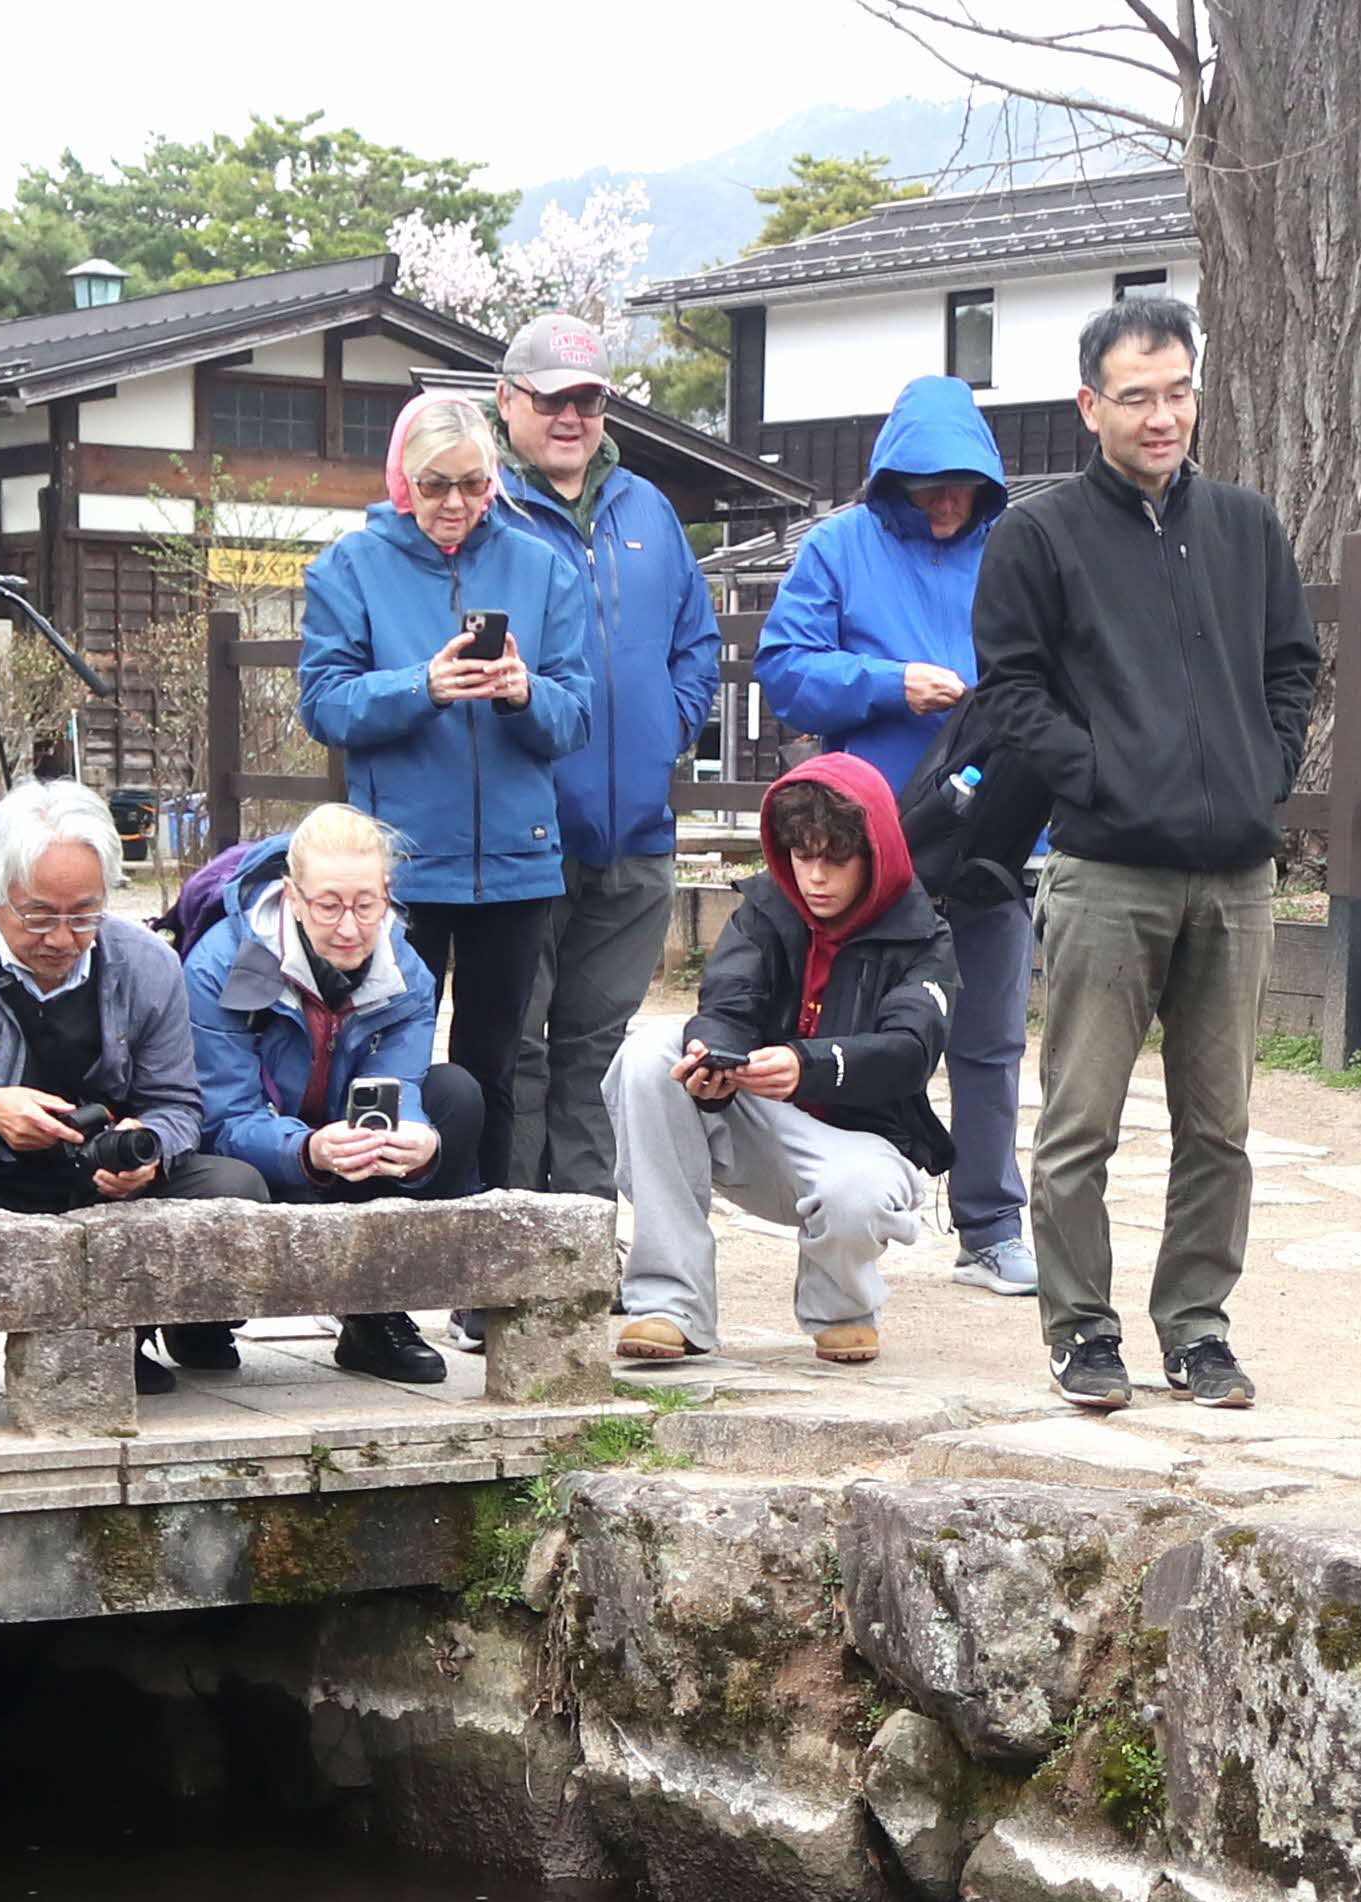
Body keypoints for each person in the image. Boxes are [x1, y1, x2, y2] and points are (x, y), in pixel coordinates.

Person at [965, 291, 1322, 1416]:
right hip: (1107, 867)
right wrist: (1102, 778)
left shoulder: (1245, 524)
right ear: (1089, 406)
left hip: (1235, 869)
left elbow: (1291, 664)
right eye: (1136, 397)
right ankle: (1081, 1329)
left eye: (1177, 393)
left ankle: (1198, 1328)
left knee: (1219, 1124)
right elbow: (1010, 689)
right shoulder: (1040, 534)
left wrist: (1264, 769)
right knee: (1080, 1119)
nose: (1161, 417)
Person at [0, 777, 268, 1406]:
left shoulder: (146, 962)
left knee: (235, 1187)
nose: (63, 939)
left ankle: (129, 1338)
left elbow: (179, 1105)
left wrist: (146, 1148)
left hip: (98, 1176)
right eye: (38, 915)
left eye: (85, 915)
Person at [758, 374, 1032, 1299]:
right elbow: (786, 673)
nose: (944, 498)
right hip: (870, 845)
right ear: (890, 480)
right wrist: (888, 683)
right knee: (861, 1035)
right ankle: (855, 1221)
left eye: (960, 482)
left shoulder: (1018, 550)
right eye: (924, 482)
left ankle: (992, 1226)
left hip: (994, 833)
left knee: (991, 1038)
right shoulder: (837, 547)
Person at [298, 392, 592, 1199]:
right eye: (434, 486)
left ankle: (479, 1263)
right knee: (385, 1064)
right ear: (402, 482)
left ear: (494, 479)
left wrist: (522, 692)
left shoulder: (542, 566)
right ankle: (385, 1269)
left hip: (517, 860)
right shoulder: (350, 565)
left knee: (494, 1066)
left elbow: (576, 718)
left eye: (472, 484)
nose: (455, 504)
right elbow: (323, 704)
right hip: (398, 866)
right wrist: (420, 685)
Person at [608, 756, 951, 1369]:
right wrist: (710, 1061)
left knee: (859, 1194)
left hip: (862, 1145)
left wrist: (808, 1065)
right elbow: (726, 999)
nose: (814, 876)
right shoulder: (766, 907)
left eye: (835, 858)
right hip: (757, 1124)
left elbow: (909, 1051)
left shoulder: (924, 935)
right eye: (801, 854)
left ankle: (842, 1308)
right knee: (649, 1052)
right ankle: (669, 1305)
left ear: (874, 854)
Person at [490, 315, 719, 1203]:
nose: (571, 418)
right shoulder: (489, 512)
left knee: (599, 1050)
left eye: (587, 400)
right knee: (521, 1048)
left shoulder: (648, 510)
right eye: (552, 399)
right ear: (509, 401)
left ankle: (582, 1246)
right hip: (527, 830)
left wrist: (670, 726)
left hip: (637, 833)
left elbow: (694, 640)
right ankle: (507, 1257)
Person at [184, 802, 473, 1383]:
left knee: (456, 1100)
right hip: (255, 1147)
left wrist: (415, 1140)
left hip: (343, 1142)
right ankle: (198, 1315)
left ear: (387, 893)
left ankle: (374, 1312)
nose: (349, 927)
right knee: (225, 1174)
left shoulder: (407, 970)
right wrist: (307, 1150)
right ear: (293, 897)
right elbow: (220, 1117)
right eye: (329, 906)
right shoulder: (221, 962)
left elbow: (401, 1082)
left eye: (367, 905)